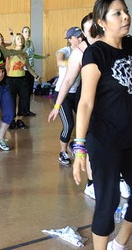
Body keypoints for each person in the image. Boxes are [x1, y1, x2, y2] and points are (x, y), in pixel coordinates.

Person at [73, 0, 132, 248]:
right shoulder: (96, 53)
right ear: (102, 21)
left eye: (125, 11)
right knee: (108, 202)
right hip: (104, 141)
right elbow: (86, 103)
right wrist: (79, 149)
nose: (125, 17)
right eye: (117, 13)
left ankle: (118, 245)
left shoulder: (130, 47)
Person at [47, 13, 131, 201]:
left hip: (113, 102)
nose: (94, 32)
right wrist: (57, 105)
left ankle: (119, 178)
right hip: (88, 100)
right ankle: (92, 184)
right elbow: (67, 80)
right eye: (89, 30)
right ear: (85, 33)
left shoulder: (113, 44)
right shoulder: (81, 52)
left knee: (117, 141)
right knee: (93, 143)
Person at [52, 27, 83, 165]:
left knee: (87, 120)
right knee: (69, 124)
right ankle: (63, 152)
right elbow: (59, 61)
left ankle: (75, 145)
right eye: (77, 37)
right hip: (62, 94)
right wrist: (73, 64)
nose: (81, 38)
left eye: (81, 35)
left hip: (77, 93)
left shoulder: (84, 51)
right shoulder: (65, 51)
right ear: (70, 40)